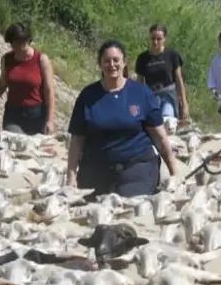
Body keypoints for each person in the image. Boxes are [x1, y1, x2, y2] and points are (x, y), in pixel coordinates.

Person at [66, 40, 178, 197]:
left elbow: (159, 136)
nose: (111, 65)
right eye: (106, 61)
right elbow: (77, 139)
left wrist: (174, 173)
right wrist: (71, 176)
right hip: (96, 170)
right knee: (93, 214)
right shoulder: (88, 96)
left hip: (136, 167)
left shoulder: (141, 93)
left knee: (127, 211)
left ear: (124, 62)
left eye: (116, 60)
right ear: (100, 64)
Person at [0, 22, 56, 135]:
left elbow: (49, 91)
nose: (16, 46)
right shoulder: (7, 59)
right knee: (13, 145)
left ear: (28, 40)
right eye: (13, 43)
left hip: (37, 116)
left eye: (20, 42)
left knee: (32, 150)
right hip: (13, 114)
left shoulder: (41, 60)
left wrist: (50, 120)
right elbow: (2, 86)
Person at [134, 24, 190, 124]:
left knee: (167, 121)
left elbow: (179, 79)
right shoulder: (143, 58)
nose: (155, 42)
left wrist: (184, 103)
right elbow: (139, 82)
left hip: (168, 95)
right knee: (153, 124)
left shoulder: (172, 55)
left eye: (159, 39)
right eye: (153, 38)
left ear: (164, 39)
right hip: (151, 96)